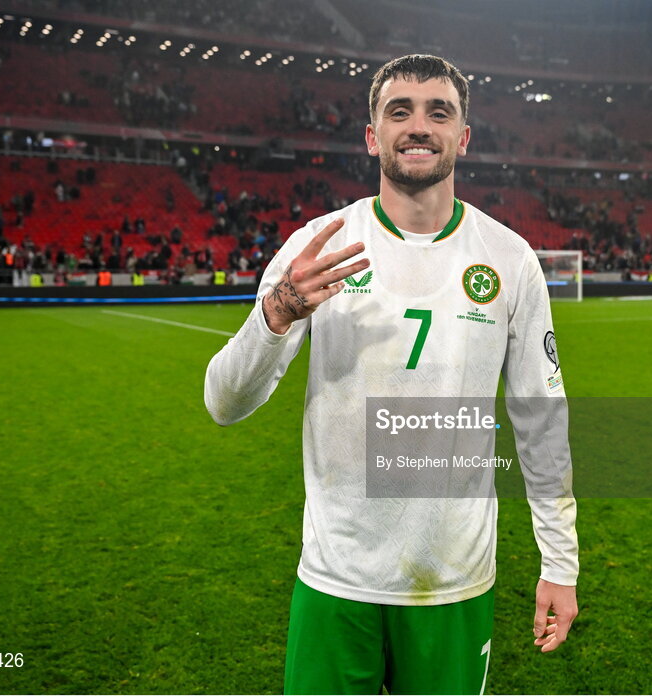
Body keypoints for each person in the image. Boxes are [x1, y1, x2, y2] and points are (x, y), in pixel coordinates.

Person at [204, 54, 577, 695]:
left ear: (463, 136)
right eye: (398, 111)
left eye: (439, 111)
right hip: (336, 576)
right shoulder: (315, 247)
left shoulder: (510, 260)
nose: (418, 126)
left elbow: (540, 422)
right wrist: (278, 311)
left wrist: (560, 561)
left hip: (454, 581)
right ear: (372, 136)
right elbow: (223, 403)